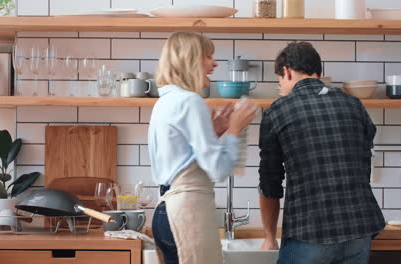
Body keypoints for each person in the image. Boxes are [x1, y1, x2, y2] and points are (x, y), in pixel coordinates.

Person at [258, 42, 385, 264]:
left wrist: (269, 236)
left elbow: (270, 184)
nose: (279, 85)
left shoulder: (277, 111)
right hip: (359, 227)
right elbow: (364, 163)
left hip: (310, 231)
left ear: (286, 71)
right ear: (318, 71)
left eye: (279, 77)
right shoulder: (354, 104)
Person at [147, 32, 257, 264]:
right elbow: (217, 169)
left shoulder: (164, 101)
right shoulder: (190, 101)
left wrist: (214, 133)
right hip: (187, 212)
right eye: (208, 56)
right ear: (190, 59)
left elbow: (182, 156)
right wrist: (234, 130)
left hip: (165, 212)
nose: (215, 63)